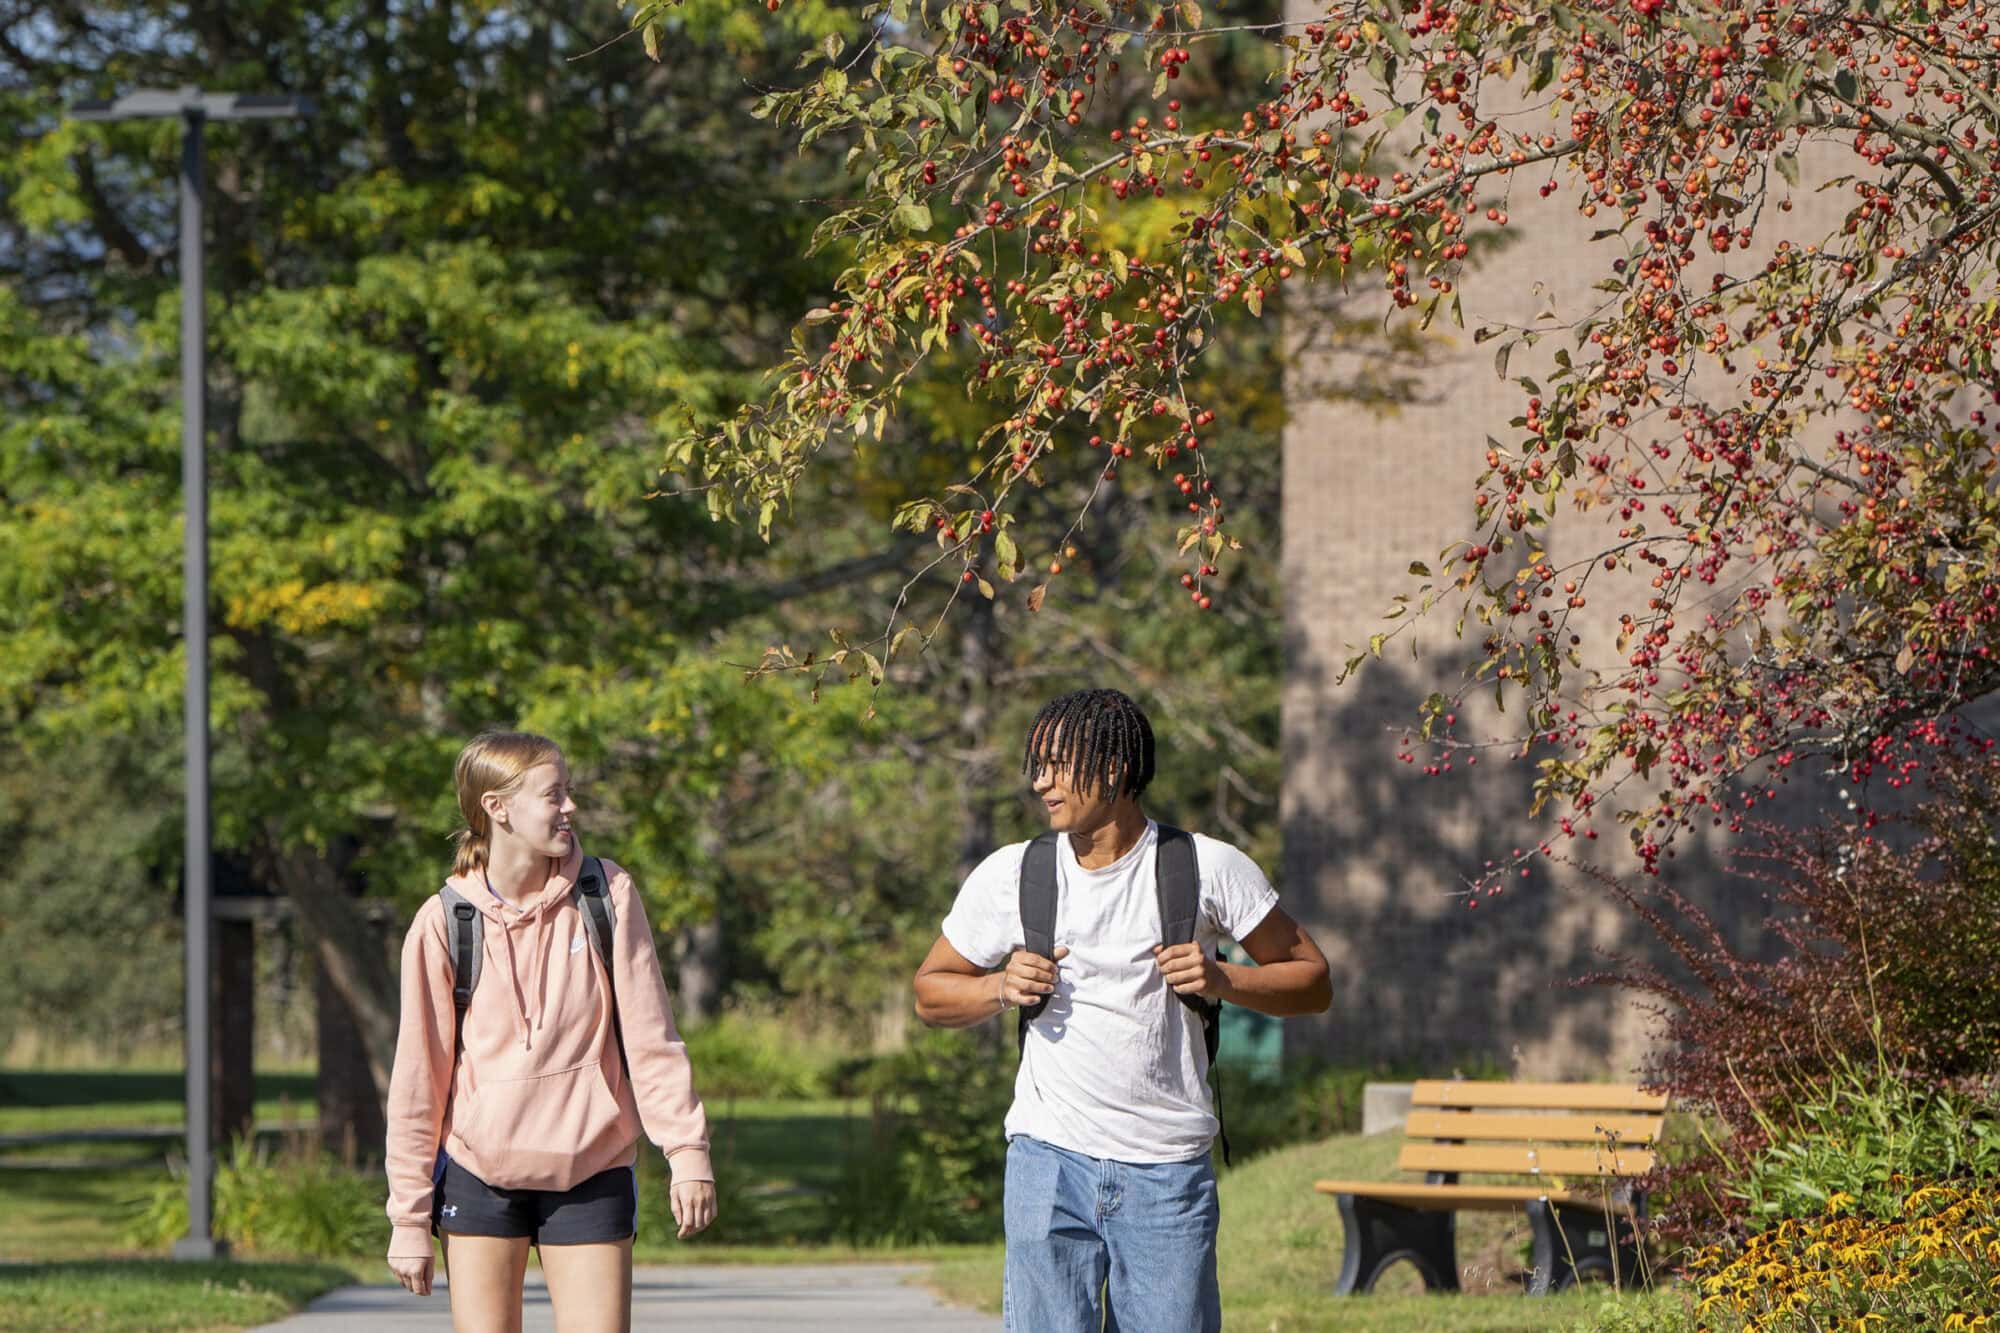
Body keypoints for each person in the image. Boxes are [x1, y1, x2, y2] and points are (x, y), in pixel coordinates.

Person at [913, 688, 1332, 1333]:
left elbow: (1313, 981)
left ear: (1111, 768)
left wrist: (1225, 978)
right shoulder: (1013, 873)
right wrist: (998, 987)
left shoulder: (1207, 867)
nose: (1040, 781)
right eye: (1036, 765)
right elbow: (930, 991)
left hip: (1167, 1172)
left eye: (1056, 764)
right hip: (1048, 1161)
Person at [384, 730, 717, 1332]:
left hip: (591, 1167)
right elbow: (418, 1081)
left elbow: (651, 1039)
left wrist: (687, 1152)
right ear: (497, 807)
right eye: (553, 795)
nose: (571, 808)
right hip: (478, 1173)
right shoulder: (445, 922)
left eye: (569, 792)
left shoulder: (605, 895)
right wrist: (409, 1218)